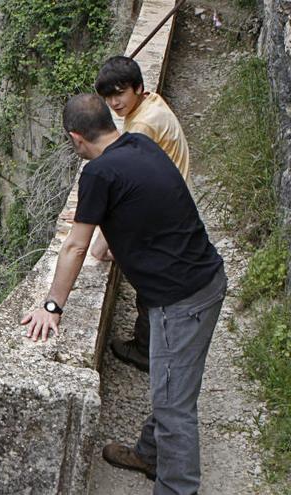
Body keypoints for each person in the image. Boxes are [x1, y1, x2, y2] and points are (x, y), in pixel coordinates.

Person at [21, 94, 225, 495]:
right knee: (174, 387)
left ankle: (178, 488)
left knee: (175, 409)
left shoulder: (98, 174)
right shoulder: (140, 143)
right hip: (207, 280)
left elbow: (76, 247)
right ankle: (150, 453)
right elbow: (108, 235)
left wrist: (52, 306)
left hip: (181, 300)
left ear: (76, 138)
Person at [92, 55, 192, 373]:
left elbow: (127, 182)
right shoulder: (149, 104)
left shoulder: (143, 125)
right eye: (108, 97)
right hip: (176, 195)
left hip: (165, 210)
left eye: (119, 93)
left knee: (147, 280)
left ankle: (146, 350)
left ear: (138, 87)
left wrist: (103, 234)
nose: (114, 102)